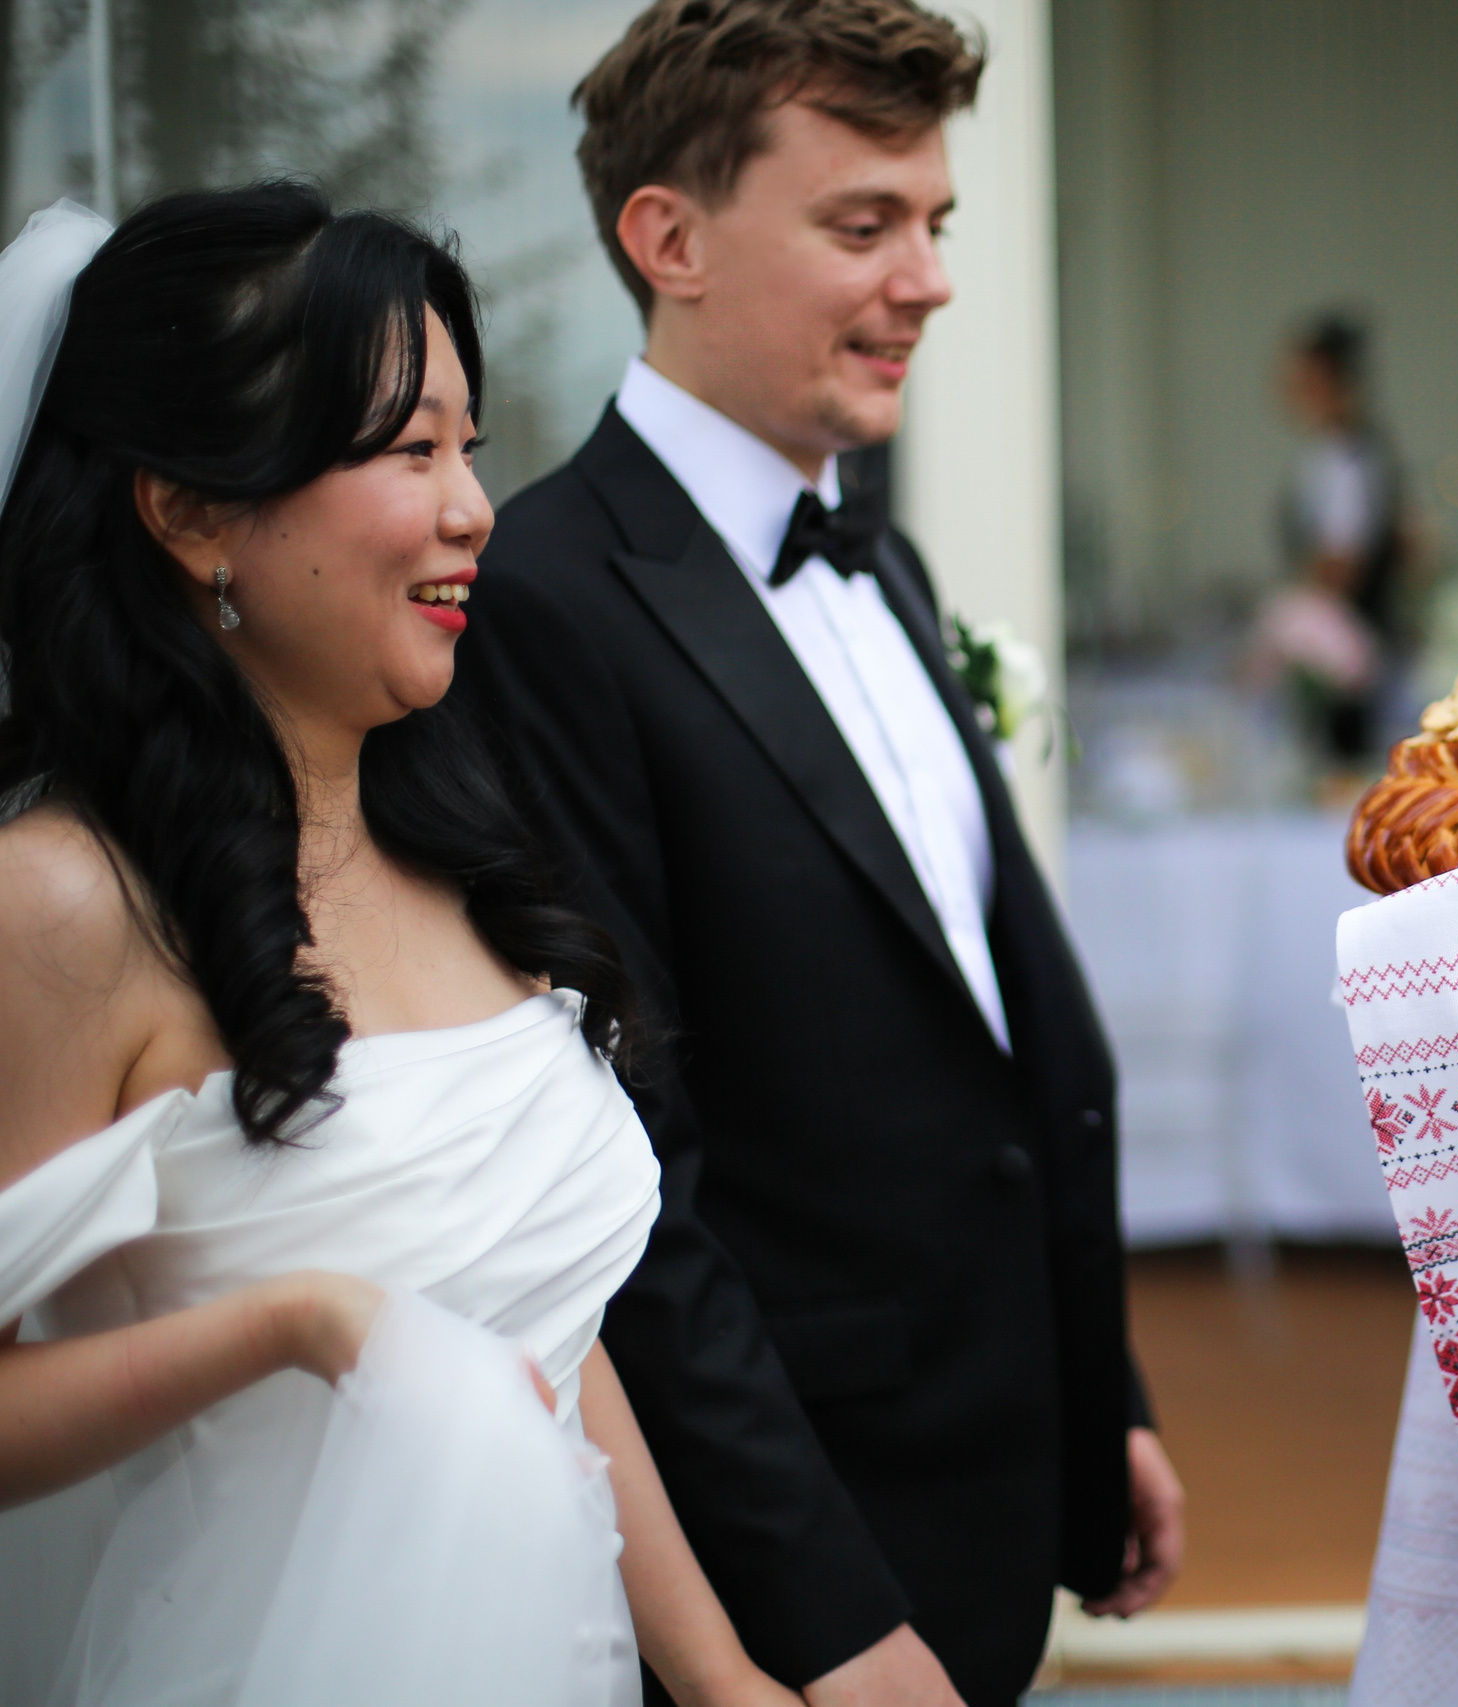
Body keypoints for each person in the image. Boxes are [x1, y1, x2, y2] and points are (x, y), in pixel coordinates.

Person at [0, 185, 808, 1705]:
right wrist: (291, 1324)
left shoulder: (464, 854)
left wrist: (721, 1673)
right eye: (406, 448)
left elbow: (543, 1335)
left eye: (470, 448)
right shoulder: (61, 906)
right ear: (187, 510)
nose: (473, 509)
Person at [459, 4, 1180, 1703]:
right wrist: (825, 1614)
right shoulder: (545, 604)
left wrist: (1105, 1403)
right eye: (864, 224)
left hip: (992, 1468)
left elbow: (989, 1034)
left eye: (935, 225)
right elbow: (632, 1181)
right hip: (807, 1545)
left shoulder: (887, 555)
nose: (927, 278)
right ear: (671, 239)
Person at [1258, 312, 1409, 772]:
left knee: (1339, 768)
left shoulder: (1346, 459)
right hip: (1345, 644)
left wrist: (1300, 622)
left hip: (1346, 654)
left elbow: (1339, 562)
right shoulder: (1335, 452)